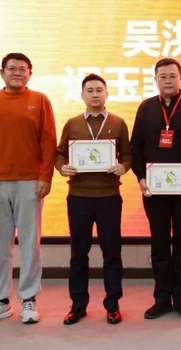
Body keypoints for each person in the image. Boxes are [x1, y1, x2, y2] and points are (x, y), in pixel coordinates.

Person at [0, 53, 56, 325]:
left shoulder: (39, 100)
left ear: (30, 73)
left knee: (30, 243)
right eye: (12, 68)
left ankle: (29, 299)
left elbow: (49, 140)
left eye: (22, 69)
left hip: (29, 182)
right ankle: (0, 301)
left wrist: (45, 176)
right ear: (2, 72)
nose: (17, 72)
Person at [130, 58, 181, 319]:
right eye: (162, 76)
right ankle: (162, 297)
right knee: (160, 242)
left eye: (172, 76)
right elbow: (136, 147)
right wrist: (141, 177)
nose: (167, 81)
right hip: (154, 190)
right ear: (155, 80)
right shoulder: (146, 108)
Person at [56, 74, 131, 325]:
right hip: (79, 197)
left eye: (99, 90)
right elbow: (60, 154)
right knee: (79, 253)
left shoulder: (118, 123)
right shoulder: (72, 123)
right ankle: (78, 305)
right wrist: (62, 167)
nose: (95, 94)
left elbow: (128, 155)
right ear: (82, 95)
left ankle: (113, 305)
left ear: (106, 94)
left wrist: (123, 166)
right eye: (90, 90)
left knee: (112, 253)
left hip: (109, 196)